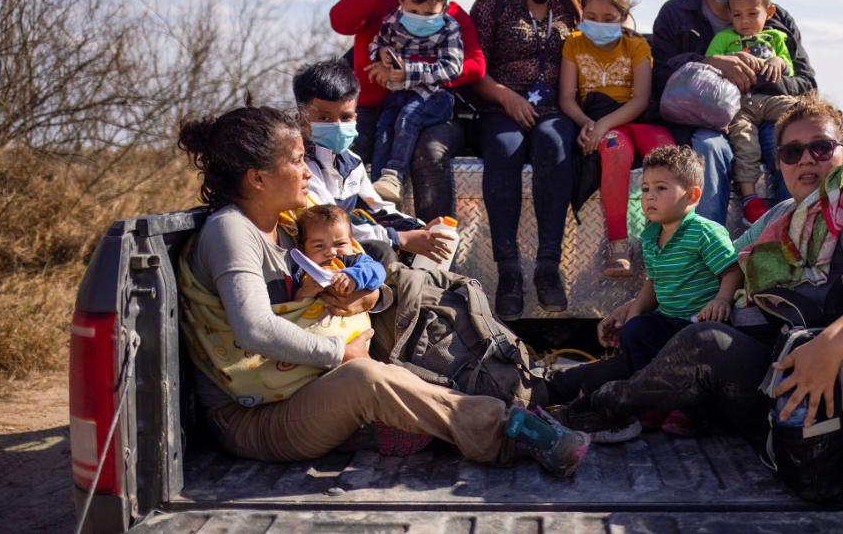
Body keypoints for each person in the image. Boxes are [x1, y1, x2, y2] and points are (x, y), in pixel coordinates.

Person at [175, 105, 590, 474]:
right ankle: (507, 432)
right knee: (364, 377)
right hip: (256, 416)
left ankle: (509, 390)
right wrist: (341, 353)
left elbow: (368, 270)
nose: (307, 172)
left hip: (302, 385)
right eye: (299, 161)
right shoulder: (231, 231)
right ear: (258, 178)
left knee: (408, 294)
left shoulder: (291, 222)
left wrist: (368, 297)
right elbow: (255, 331)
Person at [556, 92, 843, 450]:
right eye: (791, 152)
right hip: (751, 353)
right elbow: (723, 263)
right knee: (648, 333)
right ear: (779, 162)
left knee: (702, 340)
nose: (805, 160)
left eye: (821, 147)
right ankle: (544, 391)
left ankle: (605, 409)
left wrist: (831, 346)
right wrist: (634, 307)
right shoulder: (788, 214)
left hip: (797, 380)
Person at [547, 145, 738, 439]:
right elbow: (653, 282)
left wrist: (722, 300)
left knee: (696, 353)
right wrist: (633, 316)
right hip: (668, 319)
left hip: (699, 322)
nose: (649, 196)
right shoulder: (651, 237)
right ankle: (653, 401)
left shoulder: (705, 232)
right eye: (646, 188)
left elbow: (732, 270)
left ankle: (691, 410)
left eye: (661, 188)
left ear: (693, 195)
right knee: (637, 332)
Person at [651, 0, 817, 224]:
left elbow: (807, 84)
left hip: (766, 115)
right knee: (708, 148)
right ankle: (708, 249)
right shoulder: (676, 14)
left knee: (785, 139)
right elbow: (660, 77)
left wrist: (763, 75)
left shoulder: (776, 19)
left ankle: (793, 236)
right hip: (707, 124)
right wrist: (709, 64)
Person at [469, 0, 585, 320]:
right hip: (501, 104)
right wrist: (505, 95)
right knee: (504, 149)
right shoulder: (494, 1)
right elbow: (472, 67)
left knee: (554, 146)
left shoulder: (574, 4)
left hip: (557, 108)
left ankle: (549, 266)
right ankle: (509, 271)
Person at [329, 0, 484, 222]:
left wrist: (408, 72)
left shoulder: (450, 16)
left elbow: (475, 65)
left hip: (426, 105)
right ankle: (341, 241)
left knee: (429, 153)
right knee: (350, 151)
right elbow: (340, 20)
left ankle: (436, 247)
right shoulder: (386, 1)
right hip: (370, 106)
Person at [558, 0, 674, 278]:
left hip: (633, 117)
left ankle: (661, 240)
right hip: (598, 121)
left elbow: (640, 99)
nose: (598, 24)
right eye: (591, 17)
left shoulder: (636, 45)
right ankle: (618, 242)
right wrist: (587, 123)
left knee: (664, 153)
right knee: (614, 151)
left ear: (623, 18)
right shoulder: (574, 43)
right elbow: (567, 97)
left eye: (608, 19)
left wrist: (602, 125)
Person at [293, 58, 457, 267]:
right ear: (301, 119)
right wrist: (399, 239)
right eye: (324, 118)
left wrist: (417, 228)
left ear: (356, 117)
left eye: (345, 117)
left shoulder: (352, 163)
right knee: (381, 251)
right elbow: (330, 226)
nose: (337, 126)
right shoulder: (302, 167)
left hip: (348, 247)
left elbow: (378, 209)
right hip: (320, 258)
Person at [704, 0, 798, 225]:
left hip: (771, 100)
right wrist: (731, 59)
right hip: (739, 104)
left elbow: (789, 65)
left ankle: (802, 187)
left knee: (798, 119)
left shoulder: (776, 38)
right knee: (745, 144)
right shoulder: (724, 40)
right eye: (737, 15)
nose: (744, 22)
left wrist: (777, 62)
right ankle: (750, 199)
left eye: (751, 14)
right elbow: (708, 65)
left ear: (769, 12)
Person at [368, 0, 463, 205]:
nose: (420, 17)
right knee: (383, 131)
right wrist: (380, 53)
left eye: (429, 13)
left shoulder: (449, 28)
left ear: (444, 7)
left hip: (435, 97)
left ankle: (394, 174)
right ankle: (380, 191)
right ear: (401, 2)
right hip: (398, 94)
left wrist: (409, 72)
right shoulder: (392, 21)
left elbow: (452, 68)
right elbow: (377, 43)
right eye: (413, 11)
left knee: (407, 119)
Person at [292, 204, 387, 301]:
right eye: (319, 246)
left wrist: (353, 276)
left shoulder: (353, 262)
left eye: (340, 243)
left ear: (351, 243)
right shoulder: (301, 271)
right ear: (302, 249)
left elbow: (378, 270)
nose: (331, 252)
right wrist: (305, 292)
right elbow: (291, 302)